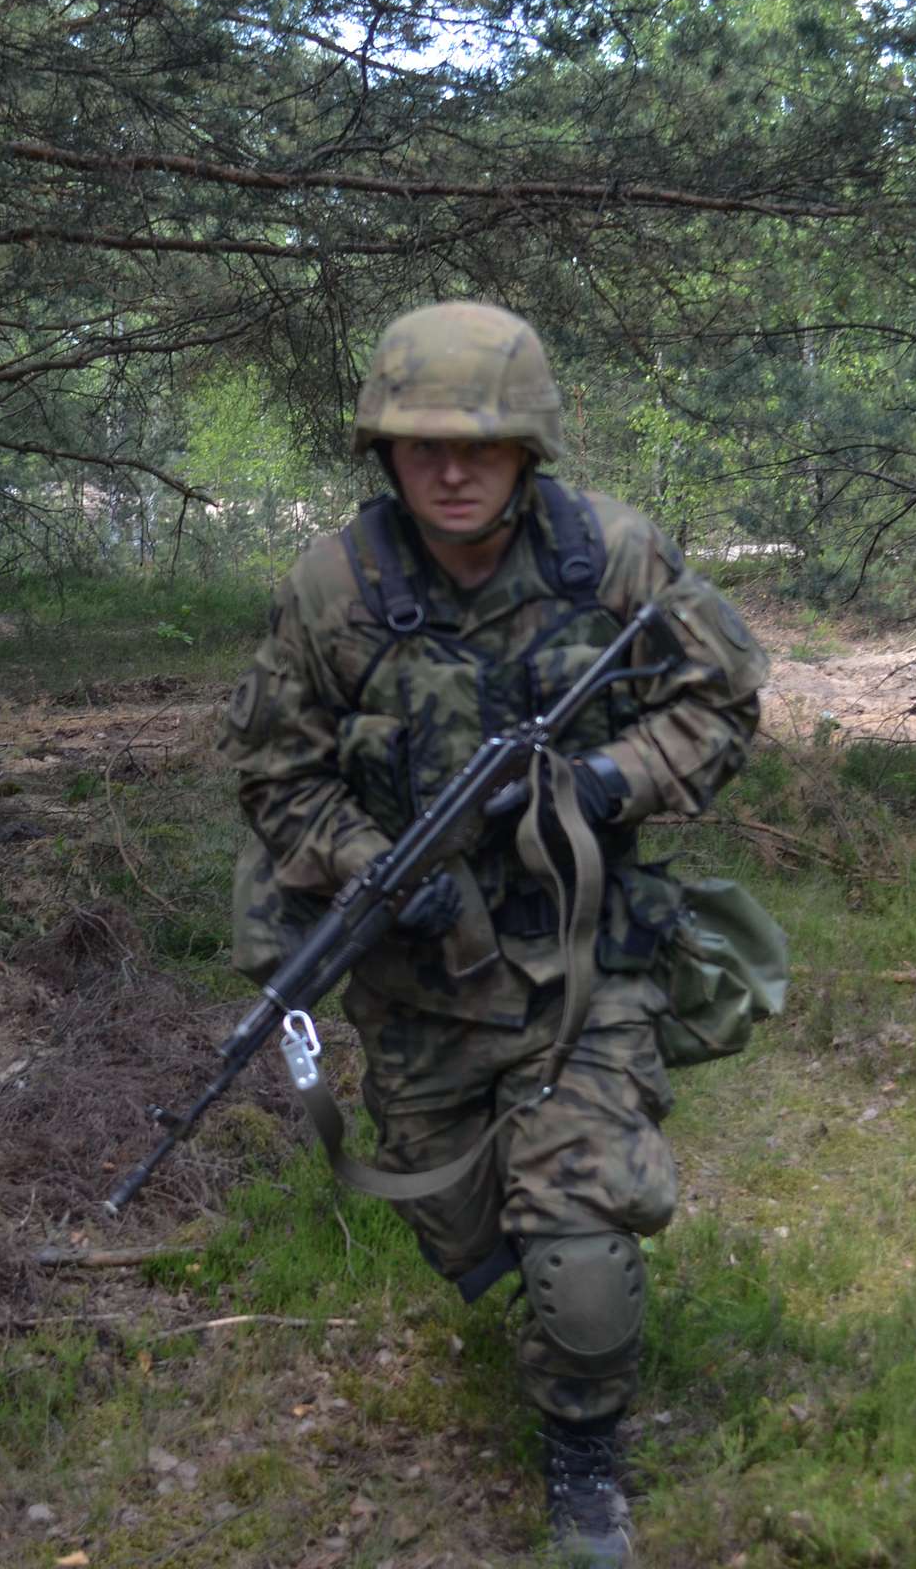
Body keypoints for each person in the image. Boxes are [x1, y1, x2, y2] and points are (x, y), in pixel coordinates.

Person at [219, 300, 769, 1565]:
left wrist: (603, 786)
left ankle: (584, 1450)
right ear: (384, 453)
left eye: (479, 444)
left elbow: (721, 698)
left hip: (584, 961)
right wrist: (365, 862)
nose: (451, 469)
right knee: (463, 1228)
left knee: (576, 1255)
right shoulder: (331, 588)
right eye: (421, 446)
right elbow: (271, 771)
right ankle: (537, 1245)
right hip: (419, 981)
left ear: (529, 449)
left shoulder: (614, 559)